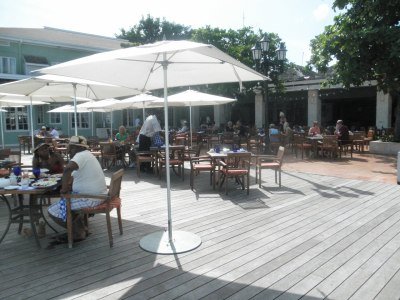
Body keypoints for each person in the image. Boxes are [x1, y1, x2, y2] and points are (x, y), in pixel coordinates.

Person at [48, 136, 107, 241]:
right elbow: (73, 174)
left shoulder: (80, 155)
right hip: (99, 195)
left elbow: (67, 170)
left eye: (70, 148)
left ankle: (77, 232)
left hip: (91, 198)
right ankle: (81, 229)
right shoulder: (87, 155)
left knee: (52, 211)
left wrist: (64, 190)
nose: (69, 150)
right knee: (66, 203)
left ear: (76, 148)